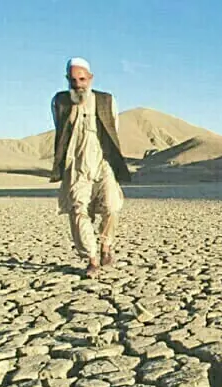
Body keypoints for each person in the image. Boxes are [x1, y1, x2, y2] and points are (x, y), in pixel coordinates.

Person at [50, 57, 132, 279]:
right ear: (68, 79)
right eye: (74, 80)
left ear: (91, 78)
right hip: (76, 164)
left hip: (102, 161)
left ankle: (106, 245)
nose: (78, 84)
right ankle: (92, 259)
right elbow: (61, 130)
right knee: (78, 210)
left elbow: (113, 128)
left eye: (82, 79)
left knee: (112, 206)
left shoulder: (106, 100)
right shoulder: (60, 101)